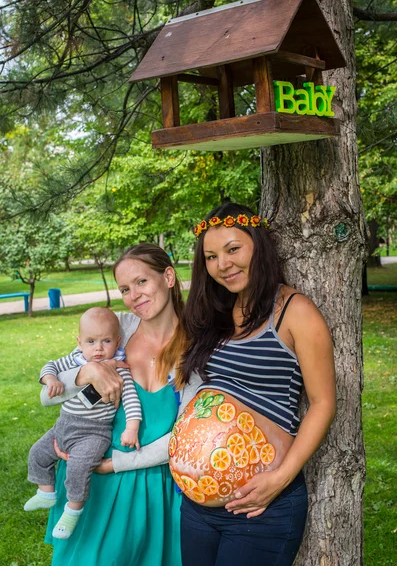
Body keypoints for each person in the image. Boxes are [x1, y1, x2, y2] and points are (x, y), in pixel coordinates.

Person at [178, 202, 336, 565]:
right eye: (212, 256)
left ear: (258, 246)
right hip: (198, 507)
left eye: (233, 249)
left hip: (261, 507)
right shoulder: (214, 312)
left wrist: (280, 477)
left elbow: (323, 402)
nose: (223, 264)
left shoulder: (294, 312)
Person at [38, 244, 201, 566]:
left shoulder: (196, 347)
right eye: (125, 289)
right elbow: (47, 397)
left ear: (168, 277)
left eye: (141, 282)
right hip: (93, 484)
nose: (134, 295)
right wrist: (89, 371)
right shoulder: (119, 329)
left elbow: (187, 435)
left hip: (155, 486)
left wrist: (117, 464)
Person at [24, 307, 141, 540]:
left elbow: (131, 400)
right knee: (38, 452)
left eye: (106, 341)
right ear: (79, 342)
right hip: (64, 424)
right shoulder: (76, 358)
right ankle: (46, 492)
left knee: (78, 468)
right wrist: (50, 379)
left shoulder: (120, 369)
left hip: (93, 433)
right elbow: (50, 365)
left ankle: (73, 509)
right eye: (91, 341)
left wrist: (132, 428)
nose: (98, 348)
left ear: (118, 341)